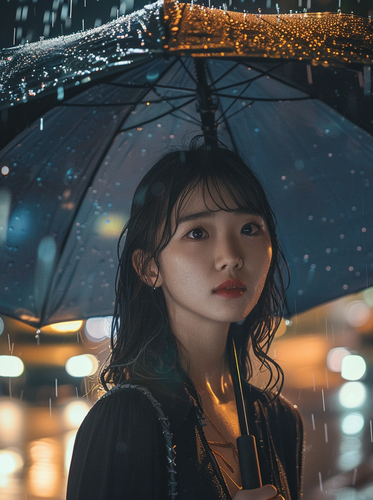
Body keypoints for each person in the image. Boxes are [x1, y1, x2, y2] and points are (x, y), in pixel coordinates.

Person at [66, 139, 303, 500]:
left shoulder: (280, 421)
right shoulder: (126, 422)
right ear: (149, 267)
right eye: (197, 233)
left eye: (249, 229)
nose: (230, 257)